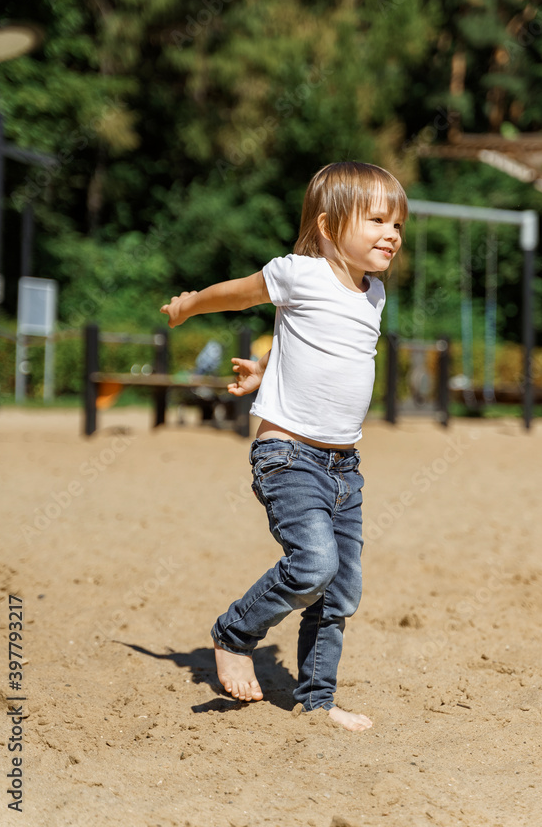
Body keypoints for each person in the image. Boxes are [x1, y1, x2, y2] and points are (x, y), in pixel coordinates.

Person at [160, 162, 408, 732]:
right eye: (376, 220)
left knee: (340, 590)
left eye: (397, 223)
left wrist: (267, 365)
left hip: (345, 466)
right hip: (289, 457)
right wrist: (190, 305)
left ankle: (317, 700)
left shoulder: (374, 293)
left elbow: (320, 343)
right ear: (328, 226)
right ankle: (234, 634)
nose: (391, 233)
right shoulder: (298, 272)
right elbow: (237, 295)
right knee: (313, 565)